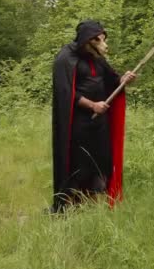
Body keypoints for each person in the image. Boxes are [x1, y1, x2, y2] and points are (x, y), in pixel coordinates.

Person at [51, 20, 136, 212]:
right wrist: (92, 105)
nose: (103, 44)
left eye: (103, 39)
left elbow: (112, 81)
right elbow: (65, 94)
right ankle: (70, 208)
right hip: (77, 124)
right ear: (86, 41)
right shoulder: (65, 59)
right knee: (79, 165)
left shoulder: (96, 58)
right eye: (97, 40)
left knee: (100, 162)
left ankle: (91, 208)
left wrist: (124, 79)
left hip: (100, 125)